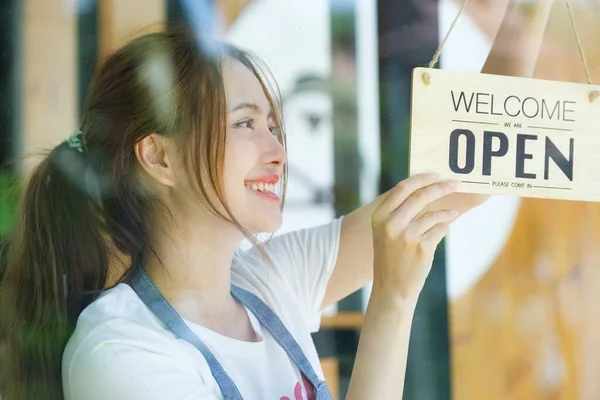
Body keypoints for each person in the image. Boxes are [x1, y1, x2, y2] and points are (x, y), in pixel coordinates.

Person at [0, 1, 553, 398]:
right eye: (246, 123)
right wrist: (393, 300)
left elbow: (465, 176)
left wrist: (530, 11)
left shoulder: (268, 283)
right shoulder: (122, 355)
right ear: (159, 158)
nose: (278, 152)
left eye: (274, 125)